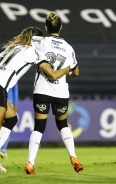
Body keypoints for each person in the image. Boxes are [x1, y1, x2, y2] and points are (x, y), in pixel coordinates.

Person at [0, 27, 71, 176]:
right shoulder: (34, 52)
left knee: (12, 118)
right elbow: (52, 75)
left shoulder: (11, 48)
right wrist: (68, 69)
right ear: (36, 41)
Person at [24, 11, 82, 175]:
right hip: (61, 92)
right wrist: (65, 78)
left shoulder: (39, 41)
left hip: (42, 89)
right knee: (63, 124)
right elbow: (76, 72)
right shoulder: (69, 48)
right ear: (61, 27)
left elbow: (25, 41)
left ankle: (30, 162)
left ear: (46, 27)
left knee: (39, 127)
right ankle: (73, 156)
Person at [0, 83, 19, 158]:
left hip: (9, 103)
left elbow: (15, 88)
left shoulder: (12, 72)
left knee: (5, 126)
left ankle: (3, 149)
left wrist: (15, 103)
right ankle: (1, 149)